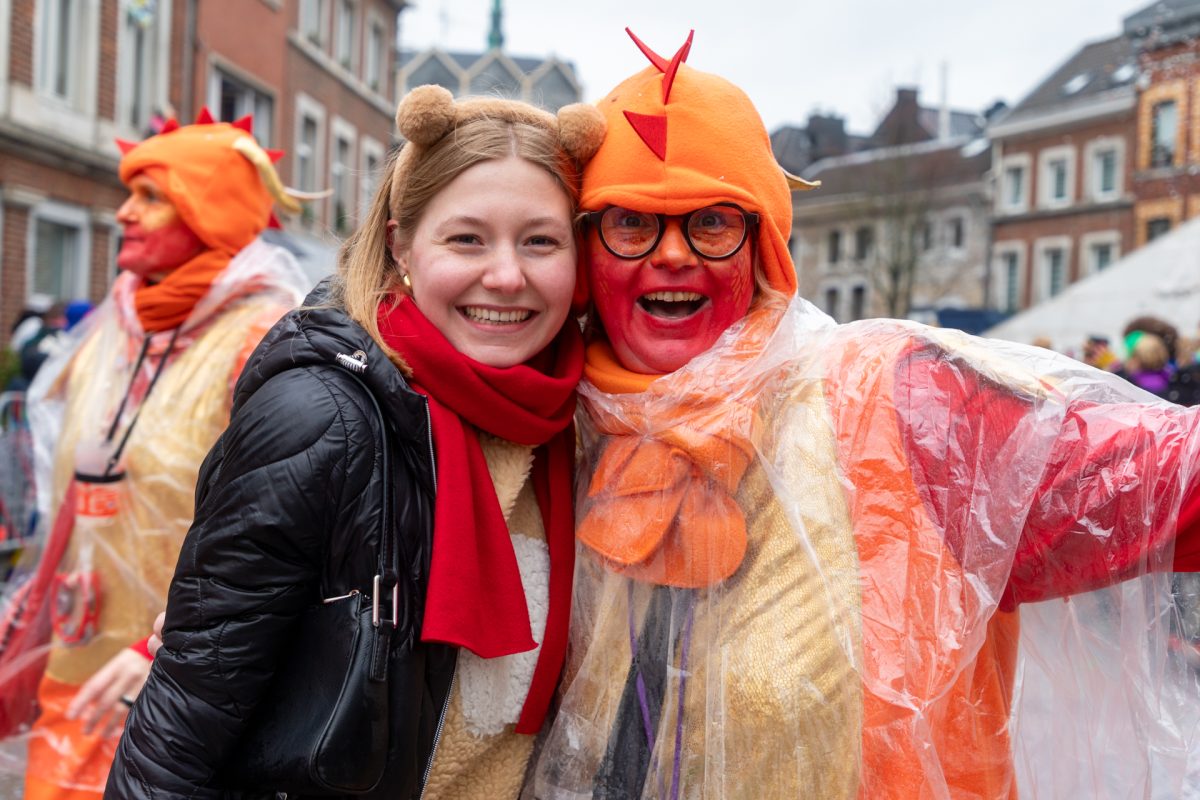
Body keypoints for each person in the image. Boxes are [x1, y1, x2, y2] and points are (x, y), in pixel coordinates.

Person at [523, 31, 1200, 800]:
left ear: (763, 250)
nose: (672, 254)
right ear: (587, 257)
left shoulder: (895, 401)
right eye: (632, 222)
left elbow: (1162, 484)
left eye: (712, 222)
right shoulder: (544, 430)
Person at [105, 87, 605, 799]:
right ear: (402, 244)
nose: (506, 275)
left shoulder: (584, 425)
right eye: (467, 238)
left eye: (540, 241)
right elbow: (186, 719)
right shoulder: (321, 418)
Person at [1, 110, 312, 800]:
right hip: (79, 670)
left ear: (210, 210)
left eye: (152, 196)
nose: (123, 213)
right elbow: (76, 499)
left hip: (183, 693)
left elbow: (276, 537)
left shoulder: (263, 339)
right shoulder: (115, 329)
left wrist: (168, 653)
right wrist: (28, 614)